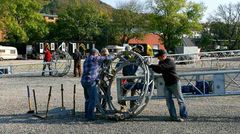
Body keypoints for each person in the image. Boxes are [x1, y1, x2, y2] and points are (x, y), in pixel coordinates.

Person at [149, 49, 188, 122]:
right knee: (169, 101)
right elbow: (159, 70)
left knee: (180, 100)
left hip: (174, 83)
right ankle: (173, 116)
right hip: (167, 83)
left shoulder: (170, 61)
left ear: (163, 56)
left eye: (158, 56)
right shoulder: (161, 62)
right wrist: (152, 67)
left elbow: (161, 68)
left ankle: (184, 115)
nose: (157, 58)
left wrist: (152, 65)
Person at [81, 48, 112, 121]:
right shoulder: (94, 58)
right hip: (91, 81)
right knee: (93, 99)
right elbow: (108, 57)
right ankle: (90, 116)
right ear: (95, 53)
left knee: (87, 99)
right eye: (98, 54)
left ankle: (86, 114)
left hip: (84, 81)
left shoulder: (86, 59)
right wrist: (115, 55)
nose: (99, 55)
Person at [117, 46, 138, 112]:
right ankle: (123, 107)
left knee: (133, 91)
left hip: (133, 77)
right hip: (125, 77)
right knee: (123, 91)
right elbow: (118, 66)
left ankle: (132, 106)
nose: (128, 53)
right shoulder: (123, 58)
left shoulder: (135, 57)